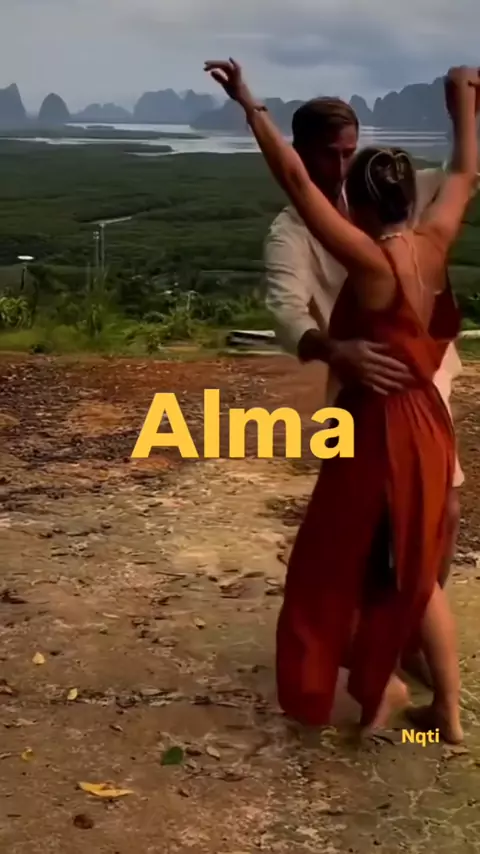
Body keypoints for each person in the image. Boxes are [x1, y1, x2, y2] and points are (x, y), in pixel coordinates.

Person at [204, 58, 480, 742]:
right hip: (424, 416)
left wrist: (249, 106)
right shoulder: (434, 241)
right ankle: (441, 709)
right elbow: (465, 173)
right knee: (410, 559)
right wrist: (463, 105)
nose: (336, 170)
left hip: (383, 423)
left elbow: (294, 182)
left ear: (360, 196)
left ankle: (384, 682)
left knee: (363, 556)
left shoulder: (367, 260)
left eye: (348, 159)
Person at [263, 96, 478, 688]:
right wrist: (335, 349)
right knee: (369, 525)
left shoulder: (386, 198)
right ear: (304, 151)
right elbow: (285, 309)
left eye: (348, 153)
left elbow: (461, 175)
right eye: (328, 154)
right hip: (361, 392)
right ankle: (384, 651)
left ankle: (405, 640)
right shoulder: (295, 231)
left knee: (442, 513)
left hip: (423, 384)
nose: (339, 165)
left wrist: (464, 110)